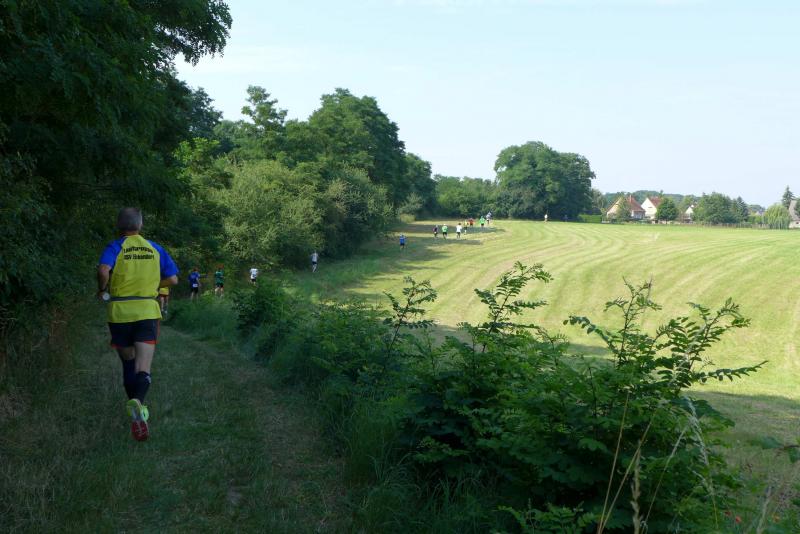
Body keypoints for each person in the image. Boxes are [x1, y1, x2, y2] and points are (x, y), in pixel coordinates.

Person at [97, 207, 178, 441]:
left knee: (128, 363)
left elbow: (103, 270)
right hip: (146, 311)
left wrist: (102, 288)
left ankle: (135, 409)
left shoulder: (115, 246)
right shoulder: (155, 248)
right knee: (143, 367)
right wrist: (152, 284)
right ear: (140, 225)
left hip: (120, 312)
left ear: (118, 226)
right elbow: (173, 279)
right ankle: (139, 404)